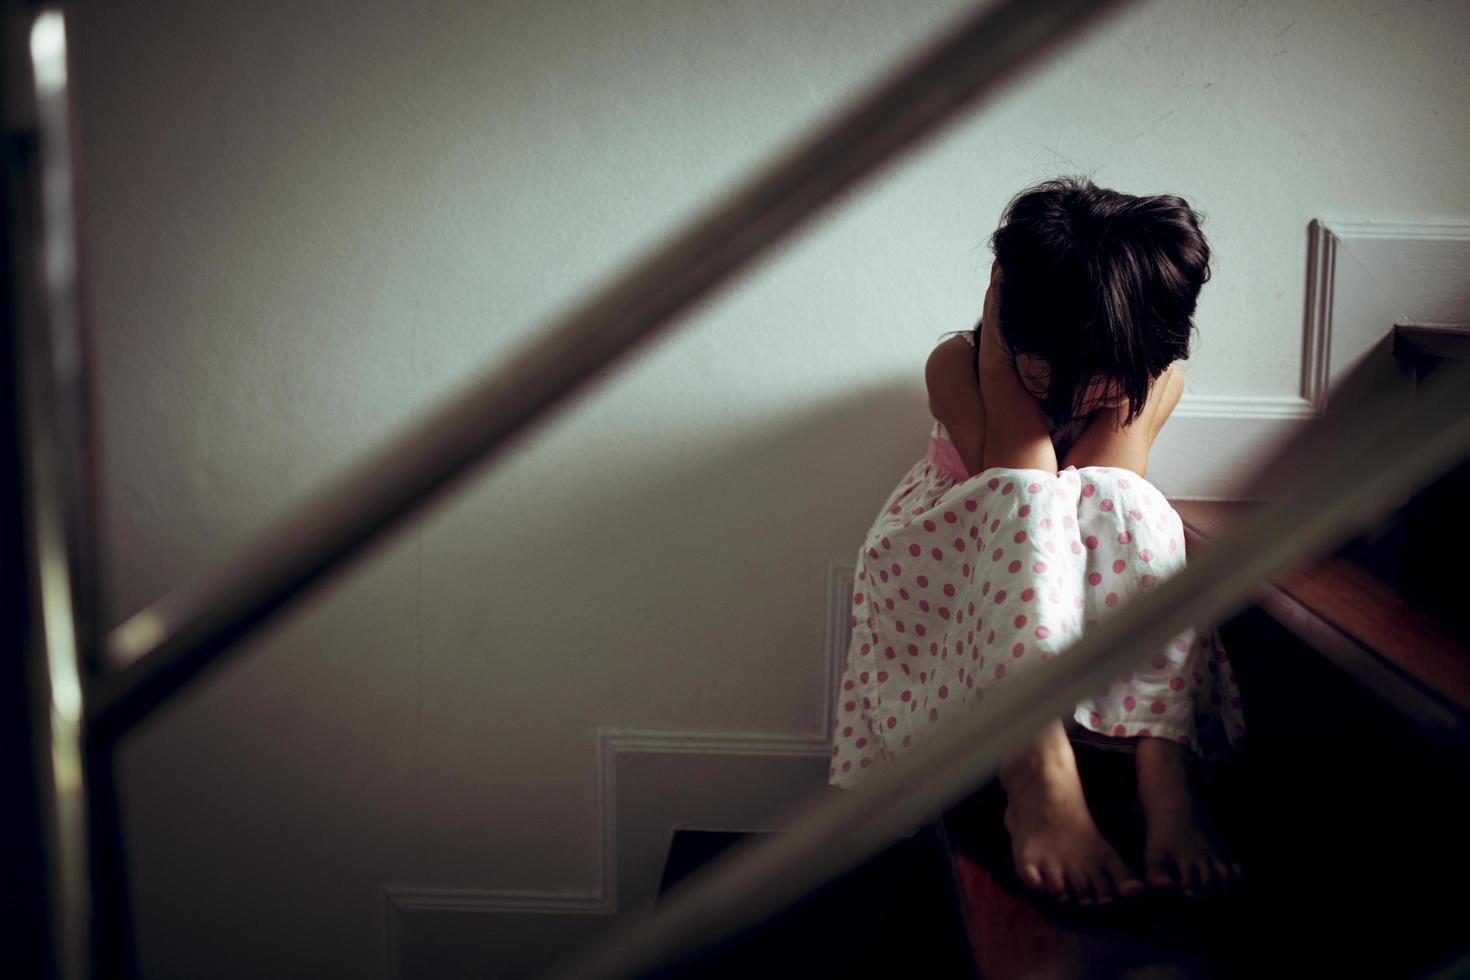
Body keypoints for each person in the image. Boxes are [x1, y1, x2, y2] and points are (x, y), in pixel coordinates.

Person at [828, 176, 1245, 907]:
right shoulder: (957, 363)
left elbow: (1094, 494)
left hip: (1077, 573)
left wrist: (1133, 378)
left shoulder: (1156, 371)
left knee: (1126, 498)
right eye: (1050, 369)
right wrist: (996, 360)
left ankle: (1163, 765)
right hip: (956, 575)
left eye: (1108, 375)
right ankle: (1035, 764)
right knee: (1027, 496)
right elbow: (1022, 486)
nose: (1082, 393)